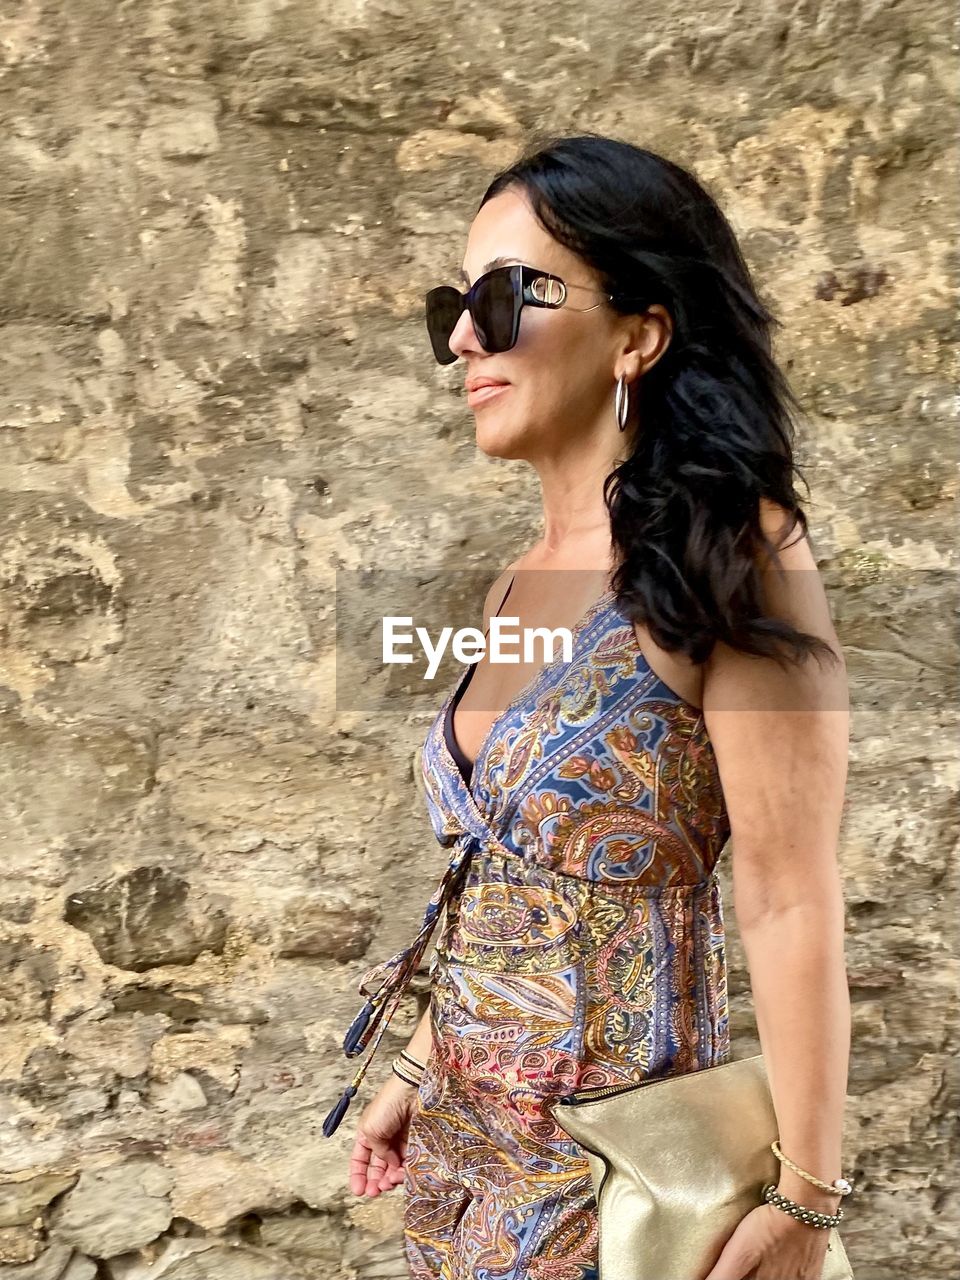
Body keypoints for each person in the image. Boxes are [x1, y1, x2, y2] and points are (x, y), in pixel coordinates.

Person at [342, 133, 851, 1280]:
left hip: (619, 1189)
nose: (465, 336)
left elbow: (786, 891)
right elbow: (503, 878)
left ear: (640, 330)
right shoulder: (518, 581)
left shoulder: (738, 548)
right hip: (463, 1174)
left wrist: (808, 1202)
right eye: (453, 307)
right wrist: (418, 1068)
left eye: (504, 296)